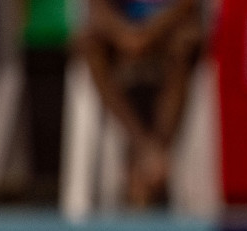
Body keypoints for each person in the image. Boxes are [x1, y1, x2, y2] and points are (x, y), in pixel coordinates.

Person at [75, 0, 203, 207]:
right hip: (120, 42)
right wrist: (126, 37)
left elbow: (188, 6)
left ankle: (151, 159)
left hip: (165, 37)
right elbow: (97, 10)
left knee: (186, 41)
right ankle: (148, 151)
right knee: (89, 42)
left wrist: (147, 36)